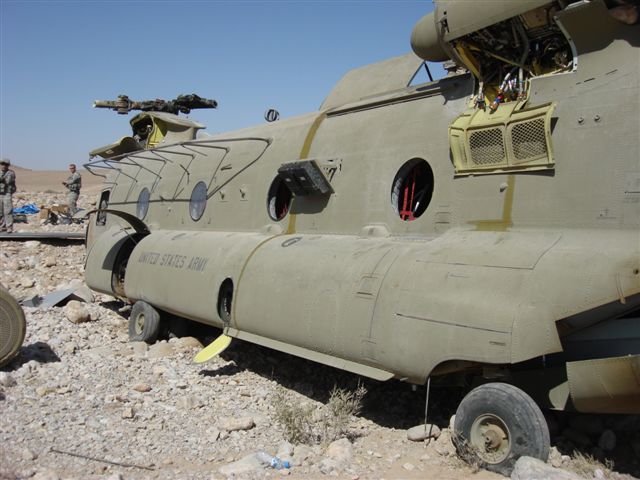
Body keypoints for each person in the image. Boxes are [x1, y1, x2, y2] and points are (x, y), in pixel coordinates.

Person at [0, 159, 16, 233]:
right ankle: (2, 227)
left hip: (7, 193)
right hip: (0, 193)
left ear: (8, 166)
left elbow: (8, 181)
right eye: (2, 164)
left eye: (5, 165)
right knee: (0, 211)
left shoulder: (10, 173)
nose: (3, 166)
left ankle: (9, 227)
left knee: (8, 211)